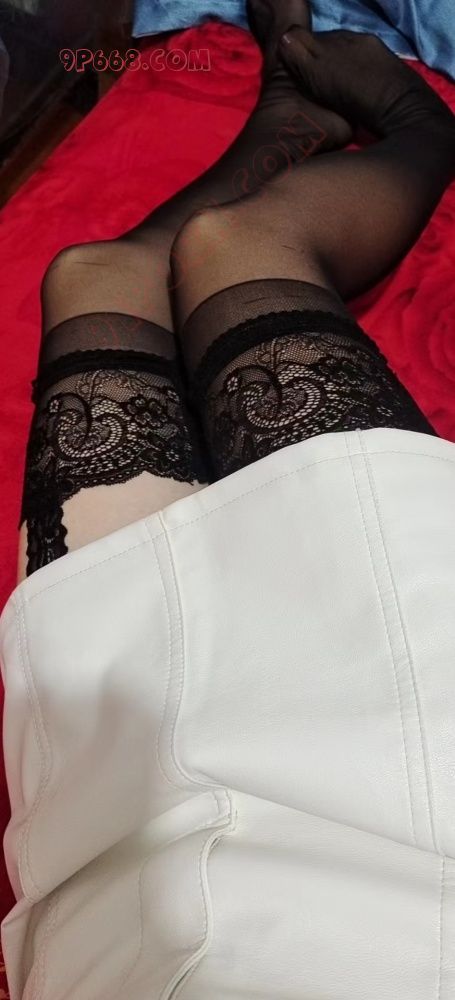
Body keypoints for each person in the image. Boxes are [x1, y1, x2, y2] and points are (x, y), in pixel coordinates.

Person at [1, 2, 455, 997]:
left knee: (94, 274)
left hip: (116, 863)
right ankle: (419, 131)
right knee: (237, 246)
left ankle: (287, 123)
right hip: (407, 782)